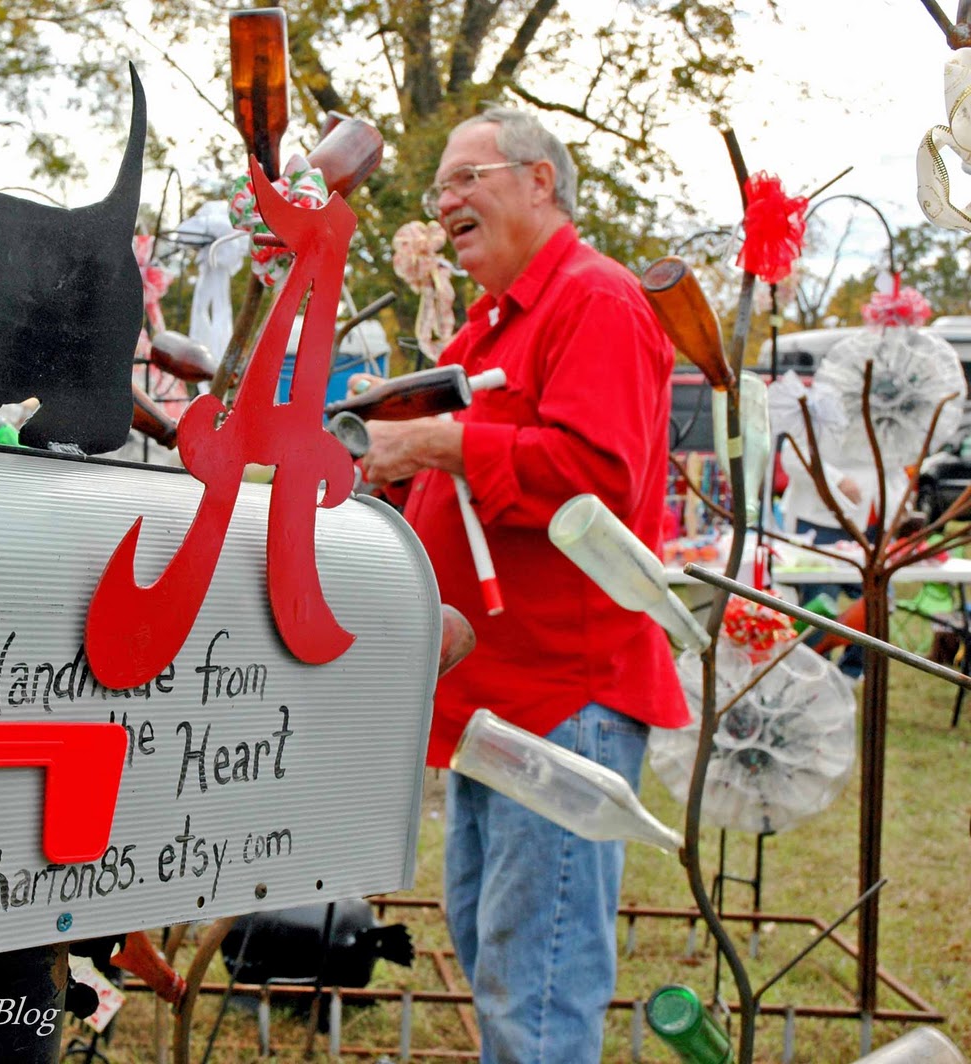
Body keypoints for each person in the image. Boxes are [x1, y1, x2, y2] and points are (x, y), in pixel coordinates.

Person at [359, 108, 688, 1062]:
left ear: (541, 182)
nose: (446, 200)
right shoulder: (491, 323)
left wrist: (430, 441)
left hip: (564, 697)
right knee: (498, 956)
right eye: (439, 191)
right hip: (496, 700)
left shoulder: (597, 300)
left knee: (536, 991)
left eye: (469, 177)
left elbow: (597, 482)